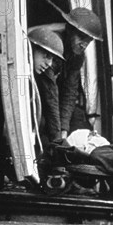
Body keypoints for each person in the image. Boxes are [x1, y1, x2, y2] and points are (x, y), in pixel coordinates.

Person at [32, 8, 103, 143]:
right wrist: (58, 138)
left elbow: (70, 92)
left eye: (89, 40)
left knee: (80, 121)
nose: (84, 44)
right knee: (43, 129)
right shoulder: (51, 44)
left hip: (56, 100)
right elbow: (49, 95)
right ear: (70, 30)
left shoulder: (78, 56)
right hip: (40, 99)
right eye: (81, 37)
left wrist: (64, 129)